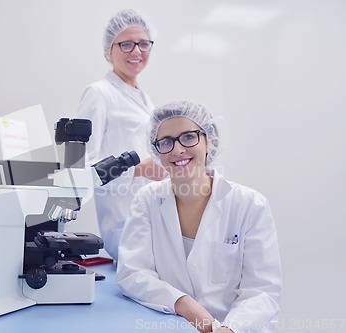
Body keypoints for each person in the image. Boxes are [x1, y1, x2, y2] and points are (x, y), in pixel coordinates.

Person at [116, 101, 282, 333]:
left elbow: (263, 290)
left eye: (188, 137)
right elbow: (133, 272)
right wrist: (183, 303)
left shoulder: (250, 204)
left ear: (209, 142)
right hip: (173, 325)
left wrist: (229, 329)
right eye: (166, 142)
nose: (177, 150)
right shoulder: (147, 200)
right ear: (156, 152)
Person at [77, 9, 167, 260]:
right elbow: (82, 168)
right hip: (123, 222)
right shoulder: (99, 93)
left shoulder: (146, 101)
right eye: (126, 44)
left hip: (151, 213)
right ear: (108, 50)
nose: (136, 51)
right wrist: (138, 170)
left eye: (143, 44)